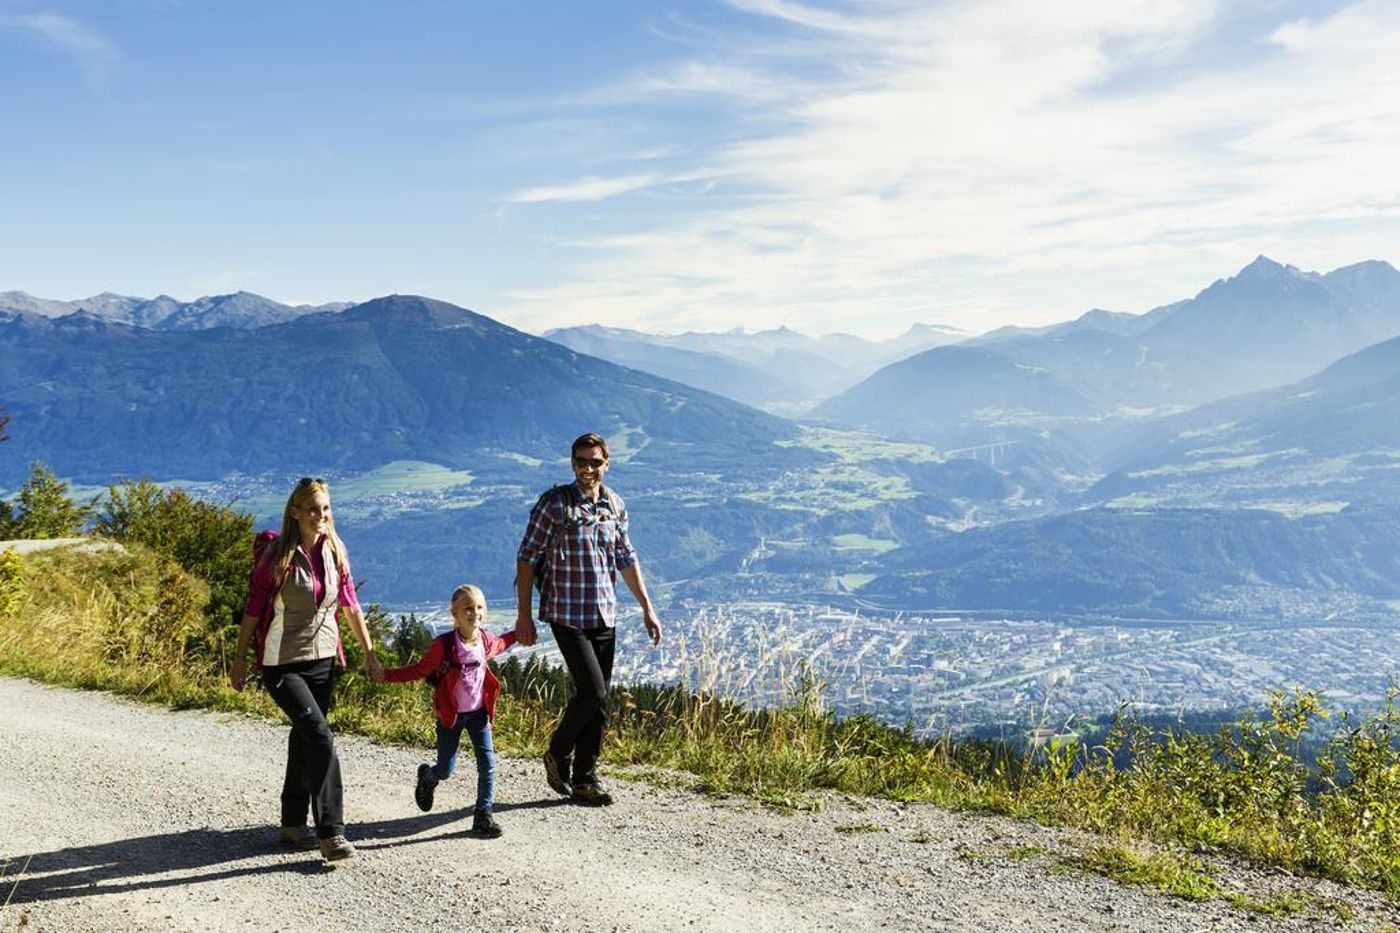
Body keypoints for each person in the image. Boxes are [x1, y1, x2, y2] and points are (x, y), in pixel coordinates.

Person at [230, 477, 382, 861]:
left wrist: (369, 652)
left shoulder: (335, 550)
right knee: (320, 736)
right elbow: (252, 610)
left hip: (322, 660)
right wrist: (239, 659)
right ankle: (331, 831)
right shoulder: (277, 555)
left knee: (304, 737)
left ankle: (293, 822)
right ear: (295, 512)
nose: (321, 516)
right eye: (313, 509)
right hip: (281, 662)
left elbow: (349, 603)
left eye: (326, 509)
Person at [514, 432, 662, 806]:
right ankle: (557, 751)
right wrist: (524, 617)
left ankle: (585, 779)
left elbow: (625, 558)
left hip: (603, 611)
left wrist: (647, 607)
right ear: (572, 463)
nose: (588, 469)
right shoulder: (554, 504)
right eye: (581, 461)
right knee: (593, 690)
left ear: (607, 463)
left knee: (598, 698)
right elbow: (527, 558)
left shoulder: (614, 505)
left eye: (595, 462)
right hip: (566, 613)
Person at [376, 584, 517, 837]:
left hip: (479, 714)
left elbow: (502, 643)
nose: (475, 613)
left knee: (488, 765)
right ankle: (428, 777)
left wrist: (520, 633)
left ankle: (483, 816)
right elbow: (418, 670)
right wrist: (384, 676)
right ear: (455, 614)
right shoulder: (444, 646)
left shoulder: (484, 640)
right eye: (468, 609)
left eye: (479, 607)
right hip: (450, 717)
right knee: (445, 770)